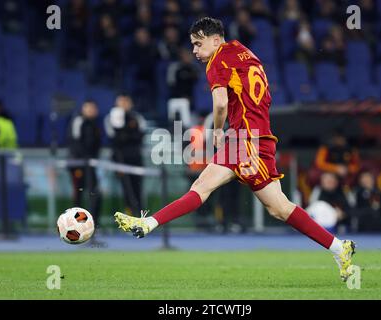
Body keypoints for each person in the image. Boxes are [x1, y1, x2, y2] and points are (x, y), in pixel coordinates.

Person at [114, 17, 356, 282]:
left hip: (247, 140)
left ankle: (148, 223)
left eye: (198, 43)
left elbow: (219, 104)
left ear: (215, 40)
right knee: (254, 201)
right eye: (193, 45)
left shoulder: (217, 60)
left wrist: (217, 130)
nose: (194, 50)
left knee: (257, 203)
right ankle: (338, 247)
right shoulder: (243, 51)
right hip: (252, 137)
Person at [105, 93, 146, 215]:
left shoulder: (137, 117)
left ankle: (140, 216)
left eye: (126, 101)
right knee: (126, 190)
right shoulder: (110, 118)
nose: (123, 105)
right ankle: (128, 215)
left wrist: (126, 135)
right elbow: (115, 138)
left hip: (135, 158)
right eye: (121, 102)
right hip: (120, 160)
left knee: (137, 189)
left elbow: (139, 136)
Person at [67, 100, 102, 231]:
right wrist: (81, 161)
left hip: (90, 165)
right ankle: (75, 225)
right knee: (78, 194)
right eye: (89, 108)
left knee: (94, 194)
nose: (91, 111)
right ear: (83, 108)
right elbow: (75, 143)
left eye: (94, 108)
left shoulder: (95, 124)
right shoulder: (78, 121)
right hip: (79, 165)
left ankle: (92, 224)